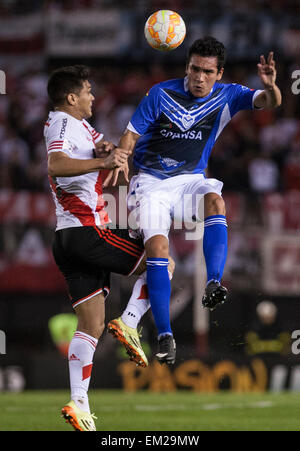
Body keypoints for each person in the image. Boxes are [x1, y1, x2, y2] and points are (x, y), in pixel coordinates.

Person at [105, 36, 282, 366]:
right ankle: (164, 335)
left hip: (190, 181)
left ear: (220, 73)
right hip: (151, 183)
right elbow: (130, 135)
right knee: (159, 251)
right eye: (194, 69)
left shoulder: (230, 95)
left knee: (216, 201)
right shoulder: (161, 93)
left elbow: (270, 101)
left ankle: (214, 282)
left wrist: (271, 86)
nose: (199, 78)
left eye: (207, 72)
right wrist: (121, 155)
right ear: (187, 67)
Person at [45, 65, 174, 431]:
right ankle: (131, 323)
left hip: (66, 240)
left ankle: (79, 404)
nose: (92, 96)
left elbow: (105, 149)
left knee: (90, 324)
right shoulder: (62, 123)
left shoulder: (80, 127)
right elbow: (56, 164)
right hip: (87, 232)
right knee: (162, 261)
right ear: (71, 98)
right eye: (87, 90)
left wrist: (109, 152)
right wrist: (103, 160)